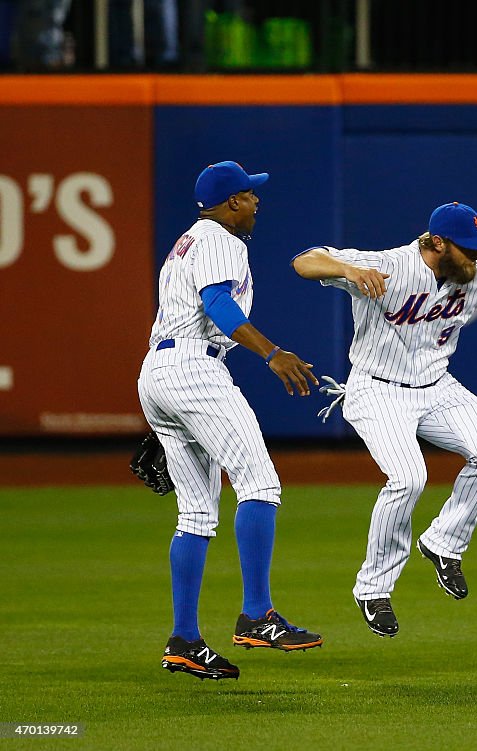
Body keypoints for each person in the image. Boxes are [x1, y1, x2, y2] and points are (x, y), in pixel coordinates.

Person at [292, 202, 477, 638]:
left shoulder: (476, 275)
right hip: (377, 390)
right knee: (408, 479)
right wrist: (348, 271)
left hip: (437, 386)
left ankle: (444, 542)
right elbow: (304, 261)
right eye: (468, 249)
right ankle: (373, 588)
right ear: (438, 244)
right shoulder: (390, 264)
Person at [138, 161, 323, 681]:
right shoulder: (222, 239)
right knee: (260, 483)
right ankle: (257, 615)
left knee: (195, 516)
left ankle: (184, 641)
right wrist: (272, 353)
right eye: (249, 194)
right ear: (231, 203)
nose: (256, 202)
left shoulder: (186, 242)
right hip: (194, 368)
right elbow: (217, 303)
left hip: (160, 371)